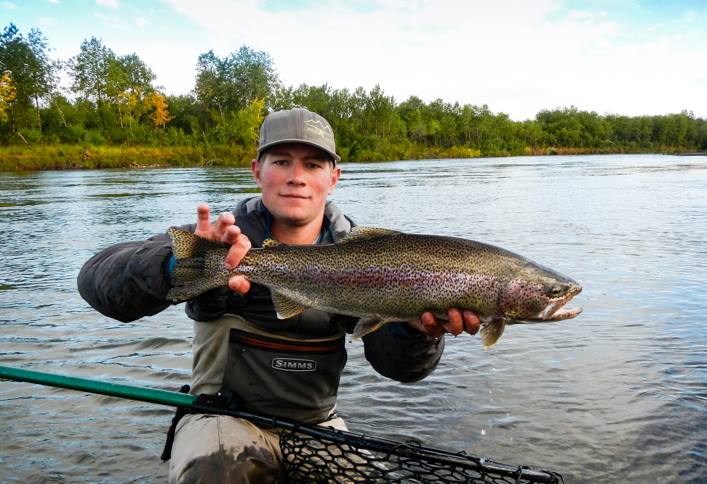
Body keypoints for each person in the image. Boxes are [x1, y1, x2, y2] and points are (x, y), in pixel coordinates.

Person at [77, 107, 480, 483]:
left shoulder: (368, 257)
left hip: (318, 426)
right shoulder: (219, 237)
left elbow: (400, 369)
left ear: (333, 177)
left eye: (313, 164)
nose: (297, 176)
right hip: (220, 418)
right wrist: (179, 265)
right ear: (258, 170)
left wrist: (418, 331)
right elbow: (96, 280)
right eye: (282, 161)